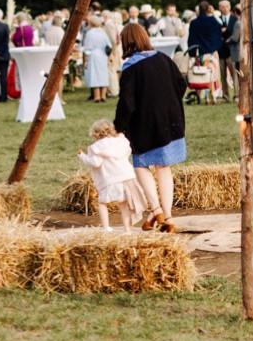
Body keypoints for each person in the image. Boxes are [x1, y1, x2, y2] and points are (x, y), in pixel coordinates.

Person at [113, 23, 187, 233]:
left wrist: (119, 126)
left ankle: (156, 210)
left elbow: (126, 103)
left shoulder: (130, 68)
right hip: (171, 122)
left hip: (145, 125)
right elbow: (181, 84)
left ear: (126, 43)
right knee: (164, 168)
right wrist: (169, 102)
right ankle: (169, 216)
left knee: (140, 165)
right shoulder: (163, 58)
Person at [78, 120, 149, 232]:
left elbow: (95, 163)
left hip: (110, 179)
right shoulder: (121, 142)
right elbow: (127, 151)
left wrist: (82, 156)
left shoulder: (96, 147)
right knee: (124, 204)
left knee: (102, 203)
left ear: (96, 133)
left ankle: (106, 227)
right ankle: (127, 230)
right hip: (127, 176)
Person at [187, 1, 223, 97]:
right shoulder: (213, 22)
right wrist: (215, 48)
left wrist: (192, 52)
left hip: (199, 52)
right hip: (211, 51)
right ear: (208, 9)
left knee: (201, 73)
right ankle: (213, 95)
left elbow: (191, 39)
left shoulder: (194, 23)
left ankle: (200, 95)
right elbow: (218, 36)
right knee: (213, 74)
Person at [82, 13, 112, 102]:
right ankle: (103, 96)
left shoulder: (90, 33)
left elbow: (87, 47)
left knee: (95, 75)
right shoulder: (103, 32)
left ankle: (97, 96)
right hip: (103, 55)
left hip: (94, 55)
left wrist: (86, 59)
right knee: (103, 75)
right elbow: (109, 45)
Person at [218, 0, 239, 100]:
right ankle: (225, 95)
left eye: (226, 6)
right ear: (219, 8)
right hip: (221, 50)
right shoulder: (217, 19)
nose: (225, 8)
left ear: (230, 7)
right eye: (222, 6)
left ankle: (236, 94)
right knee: (222, 75)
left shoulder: (235, 19)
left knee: (234, 73)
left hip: (232, 50)